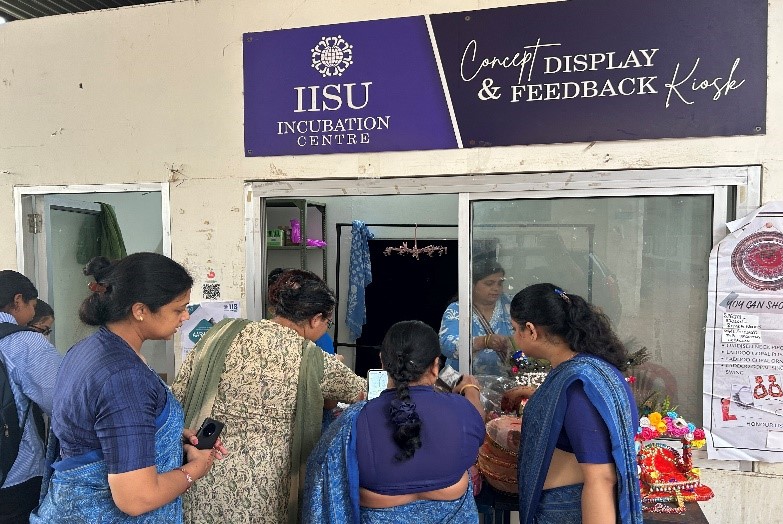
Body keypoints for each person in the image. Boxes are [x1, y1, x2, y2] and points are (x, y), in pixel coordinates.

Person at [32, 253, 223, 522]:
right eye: (177, 309)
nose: (185, 317)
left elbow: (96, 430)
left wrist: (167, 437)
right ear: (140, 310)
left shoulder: (89, 349)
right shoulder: (125, 377)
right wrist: (195, 469)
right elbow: (136, 498)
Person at [172, 269, 367, 524]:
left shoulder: (221, 334)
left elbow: (178, 392)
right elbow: (363, 393)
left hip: (202, 477)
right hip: (268, 495)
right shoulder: (313, 359)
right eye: (326, 323)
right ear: (315, 319)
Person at [303, 320, 486, 523]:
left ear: (382, 362)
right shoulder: (462, 411)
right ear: (435, 367)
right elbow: (478, 420)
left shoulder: (354, 421)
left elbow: (319, 472)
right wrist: (470, 389)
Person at [509, 283, 642, 524]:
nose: (514, 337)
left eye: (514, 329)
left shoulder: (580, 385)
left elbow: (602, 478)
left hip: (569, 510)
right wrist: (533, 394)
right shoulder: (583, 370)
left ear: (531, 330)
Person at [0, 271, 62, 523]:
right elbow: (62, 404)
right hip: (16, 475)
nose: (32, 313)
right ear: (18, 300)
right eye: (33, 306)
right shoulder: (25, 342)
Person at [439, 258, 513, 375]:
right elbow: (446, 346)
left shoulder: (511, 305)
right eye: (489, 283)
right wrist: (483, 342)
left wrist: (511, 343)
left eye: (500, 283)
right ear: (472, 284)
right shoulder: (457, 310)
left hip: (506, 380)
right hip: (464, 381)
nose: (496, 288)